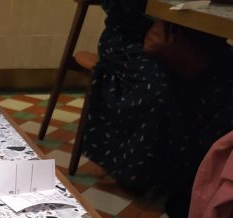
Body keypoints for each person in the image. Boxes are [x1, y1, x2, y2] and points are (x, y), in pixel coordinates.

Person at [81, 0, 233, 206]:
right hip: (131, 37)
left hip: (195, 37)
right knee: (156, 87)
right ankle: (136, 171)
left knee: (223, 79)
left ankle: (202, 174)